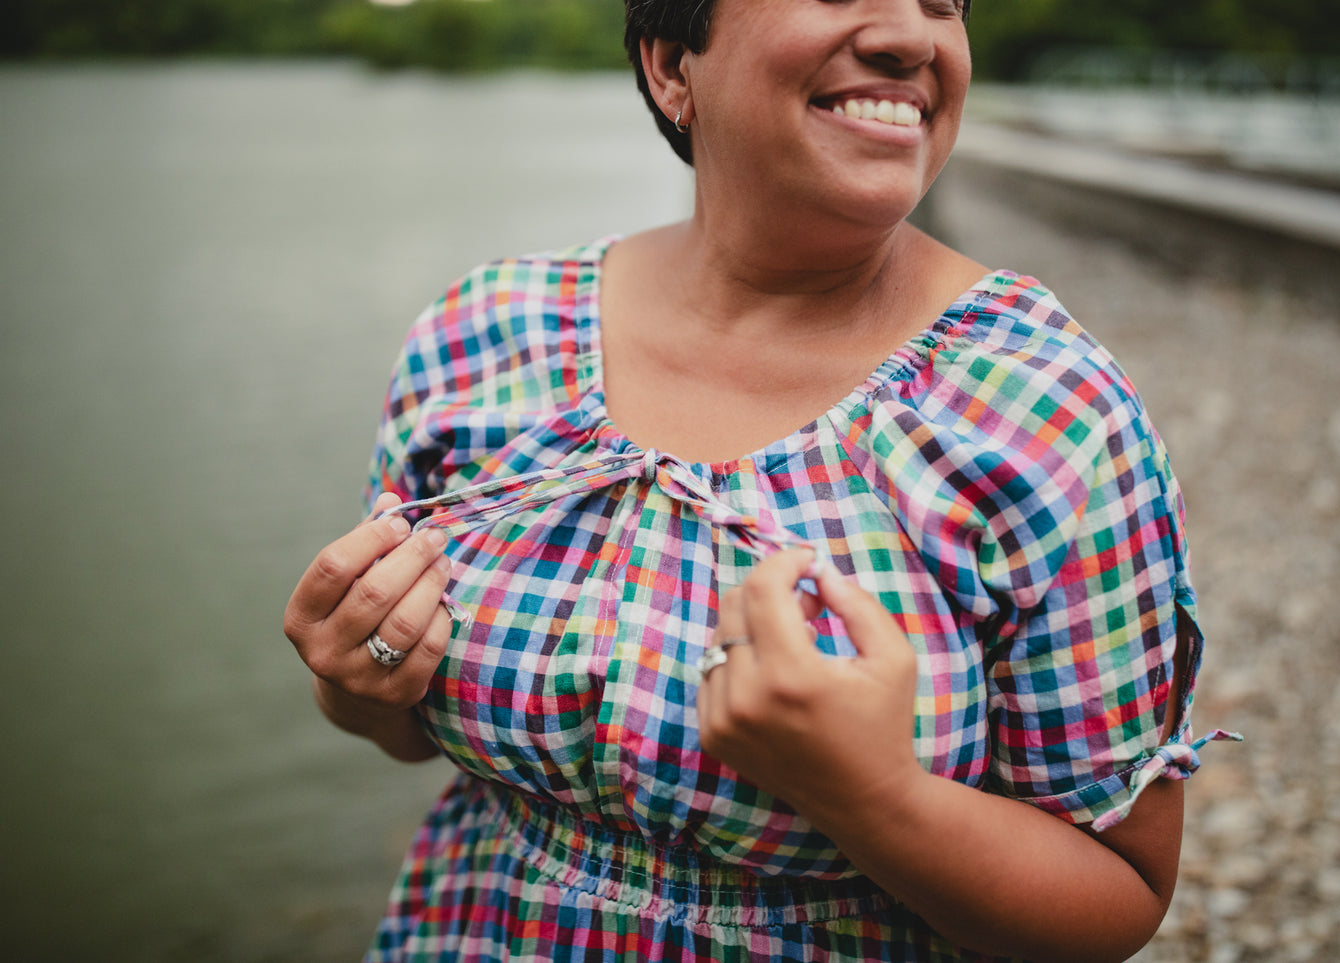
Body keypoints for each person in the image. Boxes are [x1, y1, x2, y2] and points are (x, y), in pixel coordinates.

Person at [283, 1, 1238, 960]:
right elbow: (402, 725)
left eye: (943, 1)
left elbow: (1121, 895)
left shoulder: (1046, 408)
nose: (913, 37)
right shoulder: (485, 334)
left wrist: (874, 797)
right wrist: (358, 687)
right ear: (669, 63)